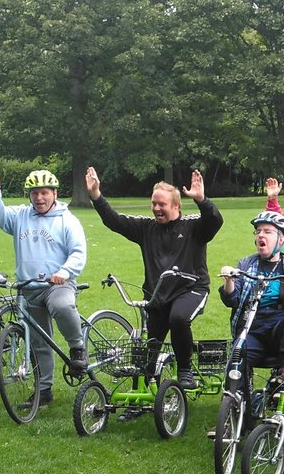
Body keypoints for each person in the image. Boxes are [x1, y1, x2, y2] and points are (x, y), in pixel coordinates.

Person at [86, 166, 223, 391]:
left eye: (162, 205)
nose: (156, 208)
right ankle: (138, 395)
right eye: (154, 204)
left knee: (178, 319)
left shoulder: (193, 227)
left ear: (176, 206)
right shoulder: (146, 228)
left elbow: (215, 221)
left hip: (191, 289)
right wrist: (96, 196)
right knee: (147, 347)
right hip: (157, 295)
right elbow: (115, 221)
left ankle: (185, 370)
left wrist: (202, 200)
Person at [0, 169, 89, 408]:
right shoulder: (20, 216)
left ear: (54, 194)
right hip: (28, 287)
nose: (39, 198)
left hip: (56, 284)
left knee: (62, 305)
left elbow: (78, 251)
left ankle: (77, 347)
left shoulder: (67, 219)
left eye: (44, 193)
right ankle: (44, 390)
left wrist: (64, 272)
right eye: (34, 193)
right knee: (39, 342)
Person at [218, 211, 284, 392]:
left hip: (281, 326)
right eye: (258, 231)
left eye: (267, 231)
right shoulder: (246, 264)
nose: (261, 235)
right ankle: (236, 404)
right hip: (254, 323)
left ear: (281, 240)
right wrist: (229, 280)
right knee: (238, 356)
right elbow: (232, 299)